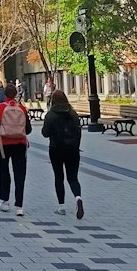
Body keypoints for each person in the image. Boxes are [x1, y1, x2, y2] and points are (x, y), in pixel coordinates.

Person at [0, 82, 31, 216]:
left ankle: (5, 201)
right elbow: (28, 129)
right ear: (16, 94)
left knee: (4, 170)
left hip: (3, 143)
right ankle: (19, 206)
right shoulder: (22, 108)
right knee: (20, 174)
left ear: (4, 94)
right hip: (20, 143)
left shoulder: (0, 107)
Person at [41, 90, 84, 219]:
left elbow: (45, 133)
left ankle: (61, 206)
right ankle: (78, 198)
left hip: (56, 149)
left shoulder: (51, 115)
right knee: (73, 177)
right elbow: (78, 132)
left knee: (59, 176)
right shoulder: (73, 114)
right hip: (73, 149)